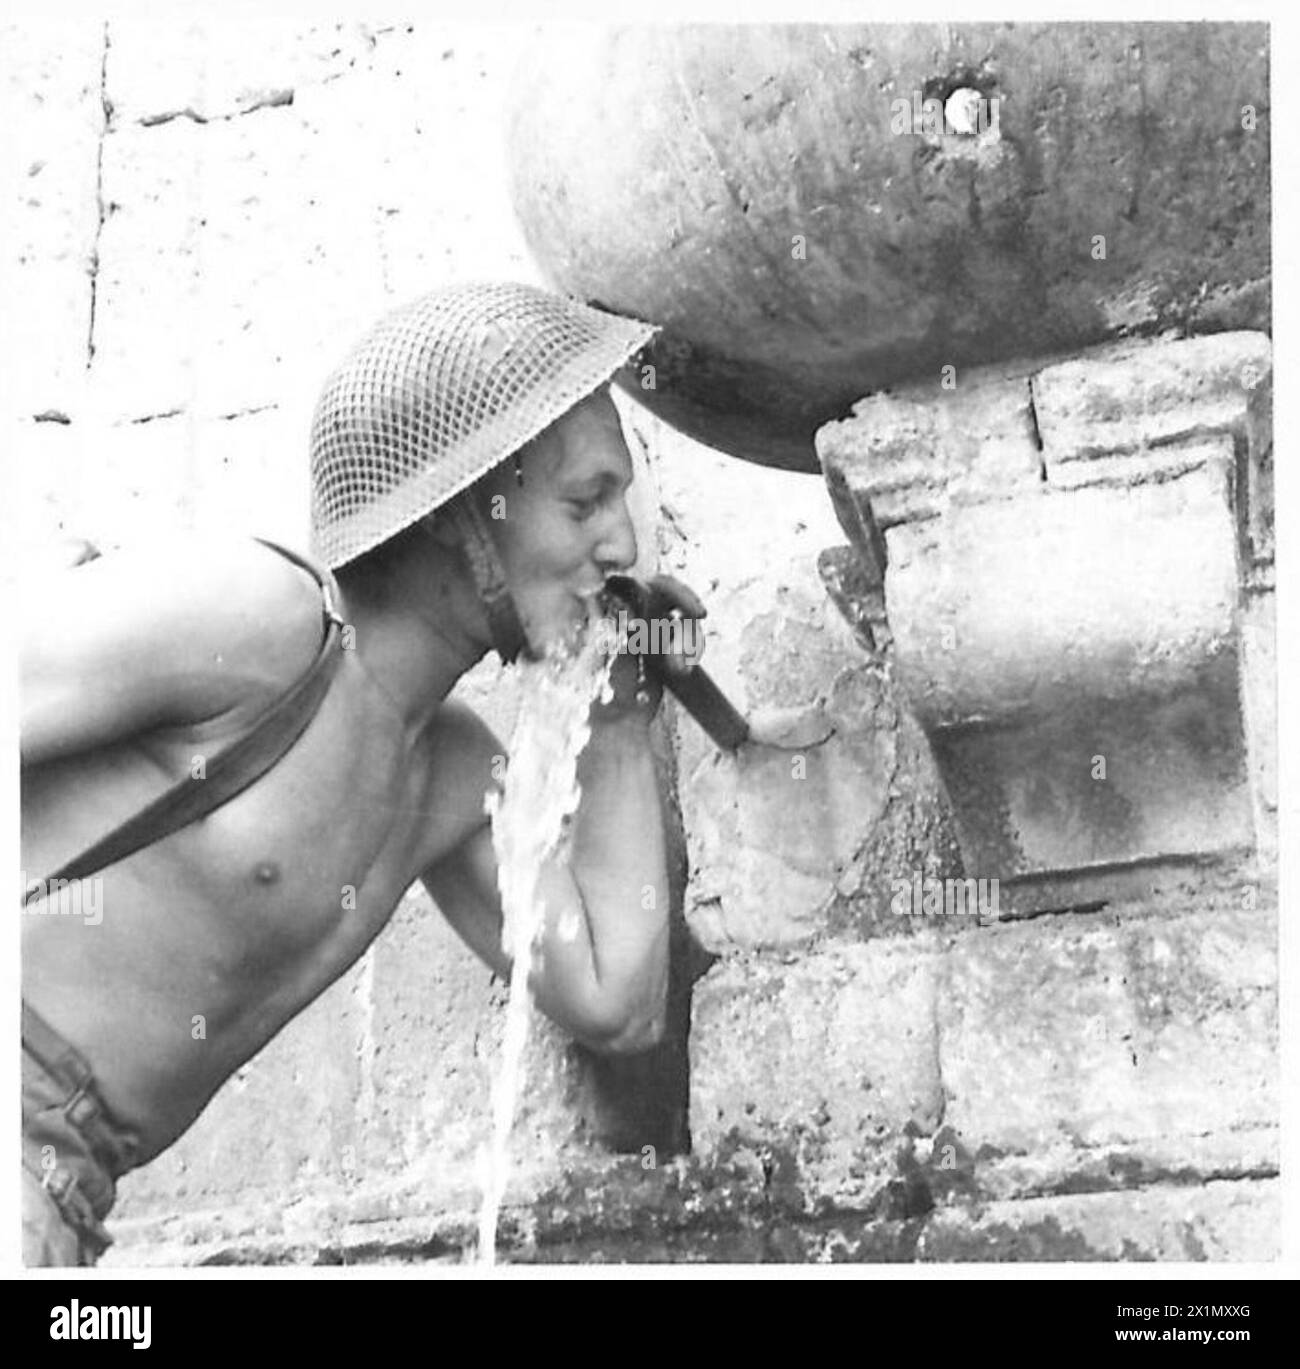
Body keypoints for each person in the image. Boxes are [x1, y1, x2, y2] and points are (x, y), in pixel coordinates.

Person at [20, 282, 704, 1265]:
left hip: (72, 1200)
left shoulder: (446, 773)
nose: (623, 543)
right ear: (465, 510)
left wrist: (625, 710)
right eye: (585, 501)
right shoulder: (256, 620)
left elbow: (615, 1001)